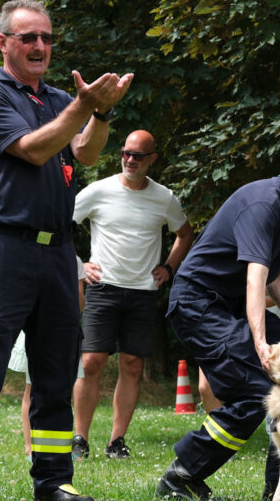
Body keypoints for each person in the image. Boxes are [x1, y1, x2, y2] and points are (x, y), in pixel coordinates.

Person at [0, 0, 132, 501]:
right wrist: (83, 105)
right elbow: (33, 149)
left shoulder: (55, 99)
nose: (40, 46)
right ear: (2, 42)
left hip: (57, 254)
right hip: (3, 249)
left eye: (47, 38)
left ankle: (54, 481)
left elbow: (86, 153)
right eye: (28, 37)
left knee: (55, 368)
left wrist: (102, 112)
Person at [156, 132, 280, 501]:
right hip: (198, 305)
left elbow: (273, 271)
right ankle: (180, 477)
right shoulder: (264, 202)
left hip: (227, 308)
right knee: (258, 393)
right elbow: (254, 276)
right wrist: (261, 342)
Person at [71, 129, 193, 460]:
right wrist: (79, 265)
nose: (129, 160)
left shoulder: (164, 197)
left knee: (132, 363)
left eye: (138, 155)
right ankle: (79, 439)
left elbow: (184, 233)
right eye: (125, 153)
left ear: (152, 159)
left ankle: (116, 441)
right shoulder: (98, 191)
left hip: (142, 291)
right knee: (91, 362)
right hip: (102, 288)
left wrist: (168, 268)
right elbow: (60, 222)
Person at [9, 255, 87, 460]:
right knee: (32, 389)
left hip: (63, 333)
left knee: (62, 392)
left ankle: (59, 448)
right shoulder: (33, 254)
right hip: (36, 330)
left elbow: (80, 303)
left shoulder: (74, 260)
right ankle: (29, 447)